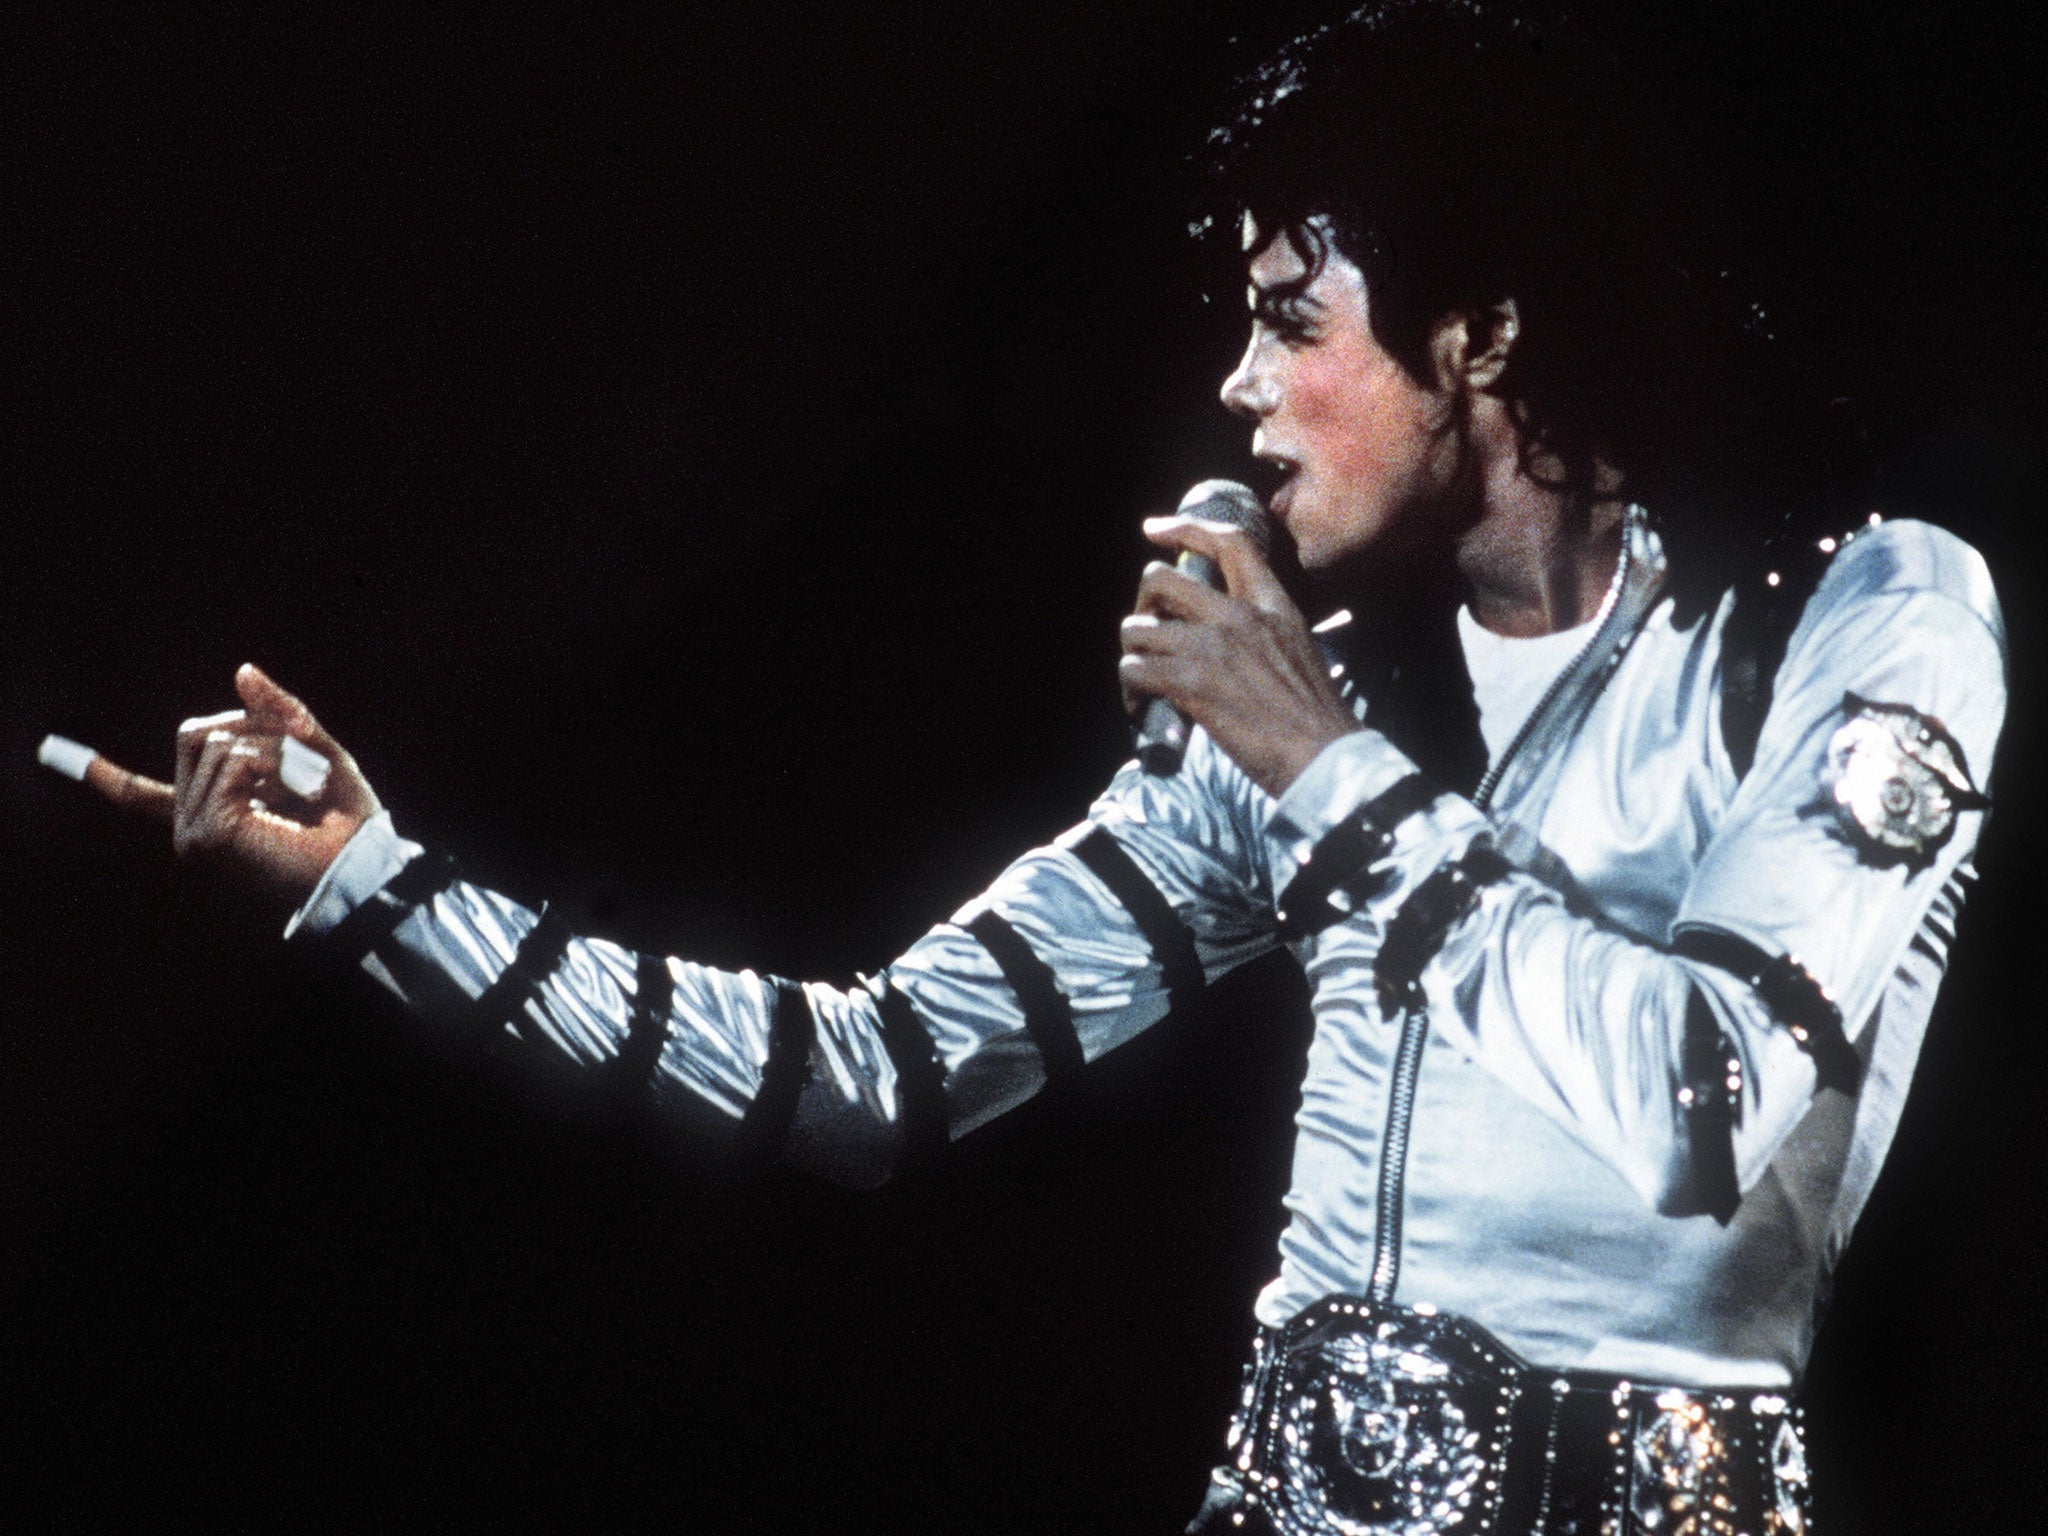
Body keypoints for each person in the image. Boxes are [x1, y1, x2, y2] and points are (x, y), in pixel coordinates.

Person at [71, 4, 2006, 1531]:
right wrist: (372, 880)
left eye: (1284, 321)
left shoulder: (1864, 618)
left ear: (1480, 329)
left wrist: (1319, 766)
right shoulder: (1307, 694)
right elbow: (871, 1075)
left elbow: (1704, 1103)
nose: (1239, 390)